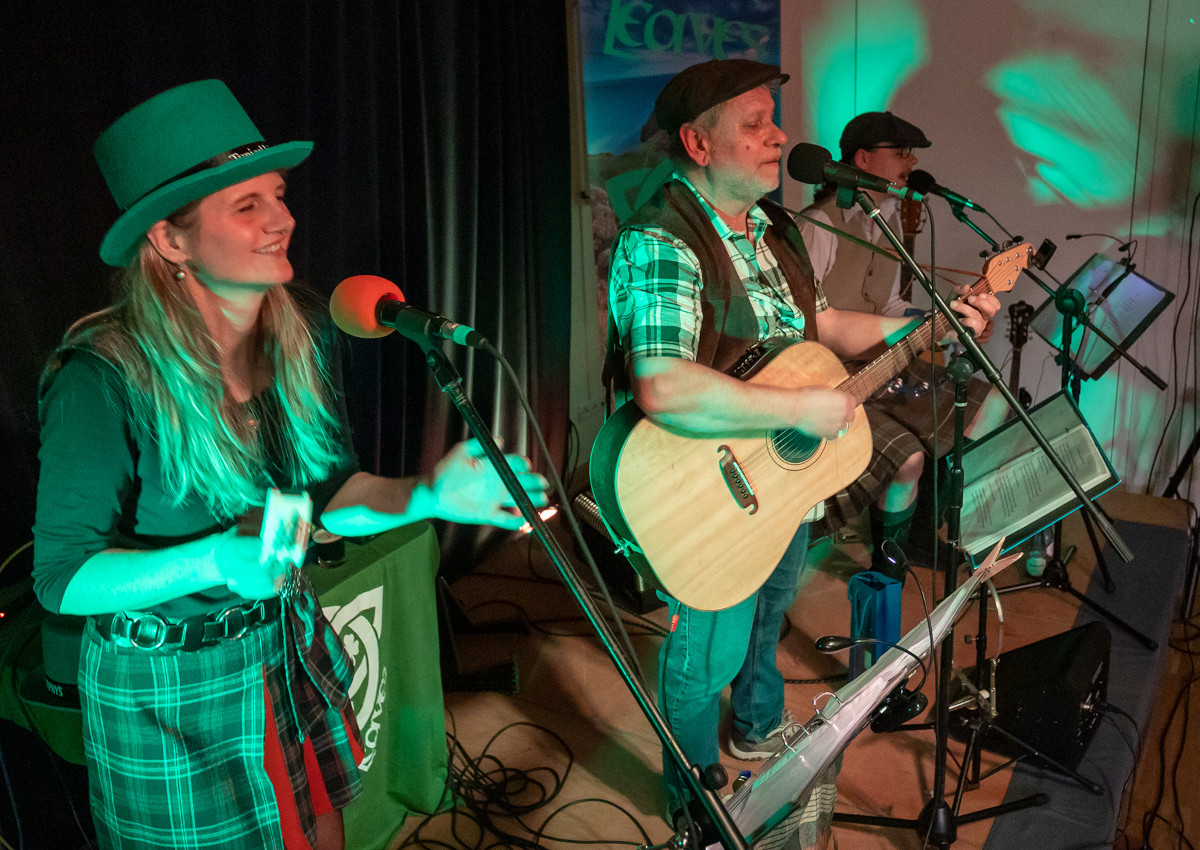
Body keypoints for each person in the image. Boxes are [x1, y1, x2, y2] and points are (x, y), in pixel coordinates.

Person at [31, 80, 548, 850]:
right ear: (170, 241)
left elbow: (331, 494)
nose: (284, 218)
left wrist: (429, 494)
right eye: (248, 206)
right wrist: (211, 557)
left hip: (281, 642)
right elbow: (62, 577)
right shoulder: (102, 375)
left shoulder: (297, 330)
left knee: (317, 830)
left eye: (277, 194)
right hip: (166, 689)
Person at [605, 61, 999, 845]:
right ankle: (691, 785)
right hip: (702, 485)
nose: (779, 135)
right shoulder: (662, 239)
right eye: (753, 123)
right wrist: (799, 406)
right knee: (702, 656)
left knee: (771, 607)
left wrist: (922, 330)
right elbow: (662, 385)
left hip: (774, 478)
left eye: (773, 118)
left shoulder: (775, 229)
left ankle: (754, 724)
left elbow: (822, 330)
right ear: (696, 140)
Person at [797, 111, 1009, 579]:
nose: (911, 162)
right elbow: (805, 323)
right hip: (834, 377)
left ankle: (921, 532)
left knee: (989, 402)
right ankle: (887, 562)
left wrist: (948, 325)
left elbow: (891, 302)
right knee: (907, 457)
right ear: (863, 159)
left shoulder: (886, 215)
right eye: (902, 152)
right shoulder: (817, 224)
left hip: (888, 362)